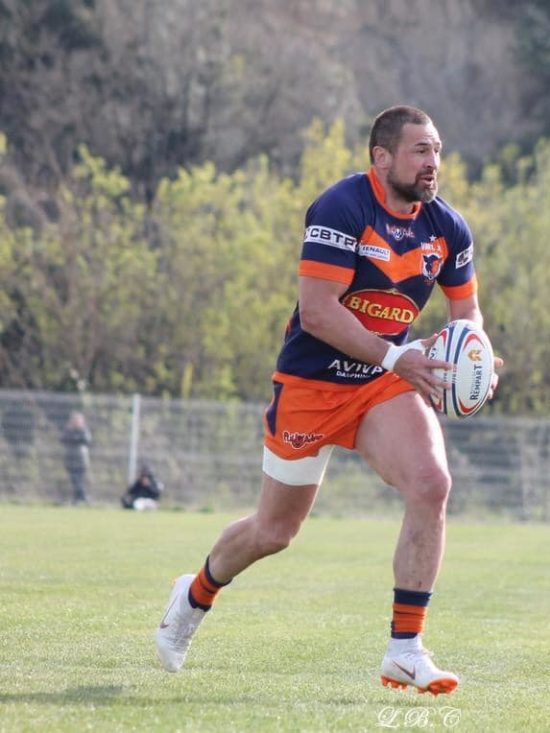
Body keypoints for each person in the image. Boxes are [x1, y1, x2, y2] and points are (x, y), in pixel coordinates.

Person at [155, 105, 501, 695]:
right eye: (420, 150)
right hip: (314, 383)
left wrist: (478, 360)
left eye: (437, 150)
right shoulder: (343, 207)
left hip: (382, 382)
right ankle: (194, 595)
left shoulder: (447, 227)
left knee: (431, 484)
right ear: (381, 157)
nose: (433, 162)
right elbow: (318, 312)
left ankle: (405, 649)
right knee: (274, 531)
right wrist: (396, 355)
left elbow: (467, 312)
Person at [61, 411, 92, 505]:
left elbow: (86, 440)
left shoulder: (84, 430)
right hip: (70, 459)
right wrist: (73, 436)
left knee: (78, 480)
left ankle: (82, 497)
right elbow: (63, 439)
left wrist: (74, 438)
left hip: (81, 460)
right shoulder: (68, 430)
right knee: (74, 480)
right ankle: (79, 498)